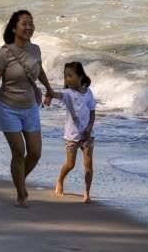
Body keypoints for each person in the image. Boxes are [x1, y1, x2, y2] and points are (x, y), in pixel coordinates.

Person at [0, 10, 56, 207]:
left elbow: (39, 70)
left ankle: (18, 180)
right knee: (19, 151)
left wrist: (49, 89)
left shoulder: (35, 50)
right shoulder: (4, 54)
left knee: (35, 153)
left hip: (30, 108)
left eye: (31, 24)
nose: (29, 27)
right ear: (14, 28)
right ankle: (21, 194)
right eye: (24, 24)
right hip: (8, 108)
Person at [53, 61, 96, 203]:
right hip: (72, 136)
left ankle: (87, 193)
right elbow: (56, 94)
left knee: (88, 166)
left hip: (87, 136)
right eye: (65, 76)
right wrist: (48, 95)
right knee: (70, 164)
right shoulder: (67, 93)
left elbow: (92, 112)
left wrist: (89, 128)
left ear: (80, 76)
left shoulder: (88, 93)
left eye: (70, 76)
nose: (67, 79)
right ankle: (60, 180)